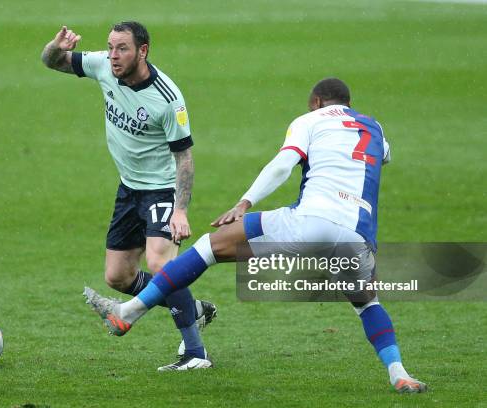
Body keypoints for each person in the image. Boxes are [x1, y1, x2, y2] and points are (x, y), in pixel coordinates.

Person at [84, 78, 428, 392]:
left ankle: (128, 312)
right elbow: (384, 155)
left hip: (309, 221)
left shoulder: (309, 121)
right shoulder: (374, 127)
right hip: (358, 236)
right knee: (367, 303)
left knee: (209, 247)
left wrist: (245, 202)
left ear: (317, 102)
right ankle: (398, 372)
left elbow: (282, 165)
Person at [41, 21, 216, 371]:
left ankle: (196, 353)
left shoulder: (168, 99)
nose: (114, 55)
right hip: (128, 188)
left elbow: (184, 158)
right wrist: (56, 46)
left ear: (143, 50)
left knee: (161, 264)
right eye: (110, 47)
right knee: (118, 277)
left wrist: (180, 211)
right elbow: (51, 62)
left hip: (161, 189)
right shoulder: (103, 65)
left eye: (122, 48)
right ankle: (192, 308)